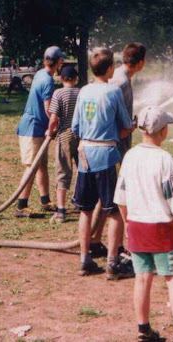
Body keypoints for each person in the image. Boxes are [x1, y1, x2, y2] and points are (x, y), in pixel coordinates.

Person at [114, 105, 173, 342]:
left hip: (137, 226)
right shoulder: (165, 159)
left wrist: (128, 223)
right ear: (163, 131)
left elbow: (121, 198)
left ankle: (143, 329)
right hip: (162, 229)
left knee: (142, 278)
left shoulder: (130, 156)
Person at [71, 48, 134, 277]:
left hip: (85, 156)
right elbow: (126, 126)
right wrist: (132, 126)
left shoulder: (84, 91)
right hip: (106, 155)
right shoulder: (113, 91)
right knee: (114, 211)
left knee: (86, 210)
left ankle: (84, 259)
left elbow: (76, 127)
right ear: (109, 69)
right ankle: (112, 263)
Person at [89, 42, 146, 259]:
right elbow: (107, 113)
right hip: (114, 147)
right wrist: (128, 127)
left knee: (108, 196)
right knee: (116, 197)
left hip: (114, 144)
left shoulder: (121, 78)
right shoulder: (120, 82)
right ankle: (115, 248)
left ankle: (94, 241)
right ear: (141, 63)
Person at [15, 46, 66, 218]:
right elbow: (48, 109)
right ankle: (21, 206)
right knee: (31, 167)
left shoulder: (40, 74)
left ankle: (45, 201)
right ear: (58, 62)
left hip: (36, 127)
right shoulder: (48, 80)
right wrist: (55, 124)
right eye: (61, 60)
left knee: (41, 165)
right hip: (32, 128)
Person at [46, 65, 80, 224]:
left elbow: (53, 118)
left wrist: (50, 132)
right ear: (76, 78)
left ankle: (61, 210)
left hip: (64, 136)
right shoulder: (81, 92)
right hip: (80, 135)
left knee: (63, 172)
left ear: (61, 78)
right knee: (82, 170)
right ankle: (80, 200)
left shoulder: (58, 93)